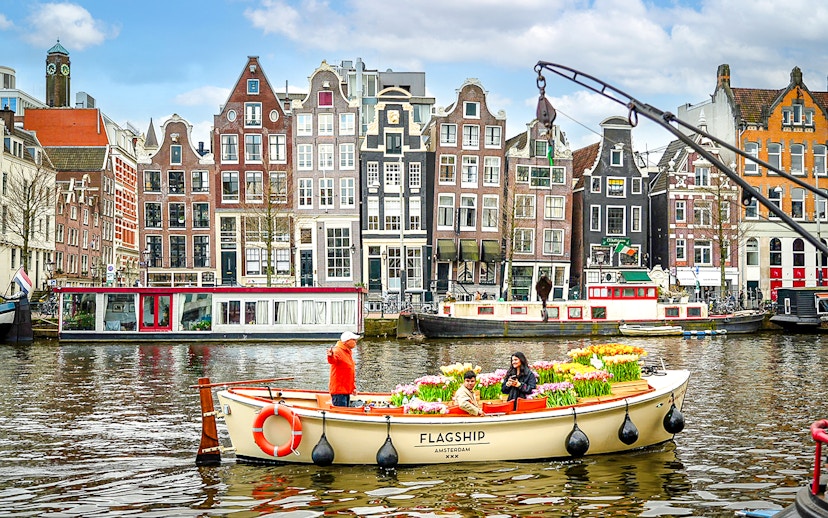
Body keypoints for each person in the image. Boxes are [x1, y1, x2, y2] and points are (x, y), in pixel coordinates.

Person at [327, 331, 361, 407]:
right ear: (347, 341)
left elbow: (348, 373)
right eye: (354, 340)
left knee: (345, 410)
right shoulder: (337, 351)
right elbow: (333, 360)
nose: (356, 342)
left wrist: (353, 387)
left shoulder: (347, 352)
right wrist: (330, 356)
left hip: (345, 390)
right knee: (341, 412)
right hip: (339, 391)